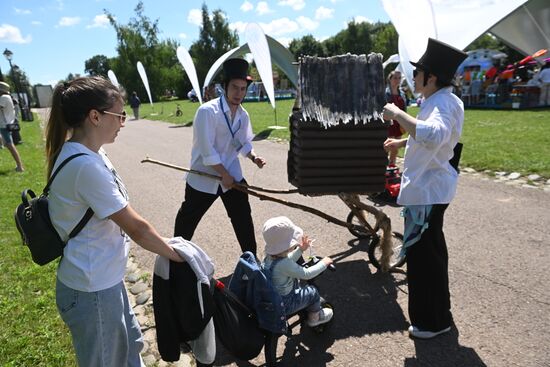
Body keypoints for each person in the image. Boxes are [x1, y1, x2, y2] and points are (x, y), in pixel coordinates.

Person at [45, 76, 183, 366]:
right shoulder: (84, 166)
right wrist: (178, 256)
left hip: (104, 281)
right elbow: (136, 228)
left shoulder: (91, 154)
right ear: (95, 116)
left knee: (131, 351)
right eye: (119, 115)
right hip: (92, 290)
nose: (123, 121)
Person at [382, 38, 467, 339]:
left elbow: (434, 135)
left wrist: (397, 115)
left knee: (424, 259)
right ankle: (439, 313)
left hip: (429, 192)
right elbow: (440, 138)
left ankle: (433, 322)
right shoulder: (442, 100)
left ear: (431, 77)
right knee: (430, 254)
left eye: (418, 73)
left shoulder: (442, 102)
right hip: (430, 190)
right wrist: (403, 141)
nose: (413, 77)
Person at [174, 58, 266, 256]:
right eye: (235, 87)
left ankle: (251, 261)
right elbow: (208, 152)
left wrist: (253, 157)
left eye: (243, 89)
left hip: (231, 175)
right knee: (187, 220)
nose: (238, 93)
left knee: (243, 217)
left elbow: (243, 143)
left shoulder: (243, 115)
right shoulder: (207, 111)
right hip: (203, 176)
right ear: (224, 86)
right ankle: (174, 259)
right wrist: (224, 174)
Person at [261, 216, 333, 327]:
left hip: (274, 299)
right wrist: (324, 263)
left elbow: (286, 261)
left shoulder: (269, 258)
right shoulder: (284, 264)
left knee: (298, 287)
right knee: (312, 292)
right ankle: (315, 318)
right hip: (286, 304)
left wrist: (300, 250)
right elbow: (307, 274)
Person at [384, 70, 407, 167]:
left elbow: (404, 109)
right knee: (388, 145)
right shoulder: (385, 93)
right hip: (389, 123)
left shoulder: (402, 93)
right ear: (390, 79)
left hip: (399, 122)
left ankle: (392, 164)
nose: (397, 80)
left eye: (399, 78)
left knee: (396, 146)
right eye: (395, 78)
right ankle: (383, 165)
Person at [0, 81, 24, 172]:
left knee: (10, 145)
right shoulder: (8, 97)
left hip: (4, 125)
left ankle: (20, 166)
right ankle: (19, 166)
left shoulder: (3, 97)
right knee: (9, 144)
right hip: (7, 123)